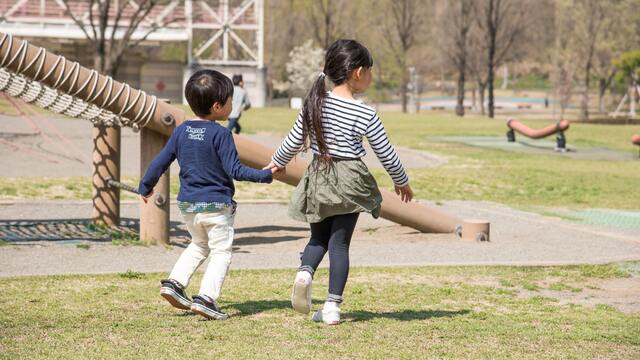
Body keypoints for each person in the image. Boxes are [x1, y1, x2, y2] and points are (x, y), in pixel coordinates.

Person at [264, 39, 413, 325]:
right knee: (340, 245)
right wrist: (401, 181)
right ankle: (332, 307)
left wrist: (277, 162)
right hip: (351, 180)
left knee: (317, 237)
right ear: (358, 72)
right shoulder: (365, 112)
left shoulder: (315, 104)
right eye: (369, 71)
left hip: (319, 176)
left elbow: (293, 140)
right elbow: (386, 153)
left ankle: (305, 272)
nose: (370, 76)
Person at [139, 69, 283, 320]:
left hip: (188, 205)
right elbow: (235, 170)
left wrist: (146, 185)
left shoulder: (181, 131)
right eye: (229, 100)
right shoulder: (221, 134)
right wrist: (266, 174)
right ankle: (206, 298)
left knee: (198, 245)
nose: (231, 103)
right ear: (217, 106)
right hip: (216, 205)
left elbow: (160, 161)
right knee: (221, 252)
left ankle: (174, 283)